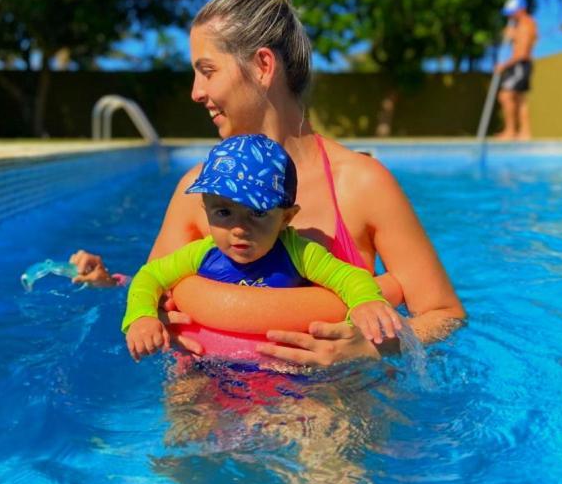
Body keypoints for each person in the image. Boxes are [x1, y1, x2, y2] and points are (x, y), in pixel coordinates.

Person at [71, 0, 465, 365]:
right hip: (209, 411)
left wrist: (368, 348)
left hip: (329, 407)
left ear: (262, 66)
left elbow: (444, 314)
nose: (195, 92)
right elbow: (159, 282)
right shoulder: (197, 188)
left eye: (207, 71)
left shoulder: (361, 184)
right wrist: (113, 284)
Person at [122, 133, 402, 360]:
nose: (239, 228)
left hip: (287, 373)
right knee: (184, 407)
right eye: (223, 213)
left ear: (286, 217)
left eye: (257, 213)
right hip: (209, 367)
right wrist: (142, 317)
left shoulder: (299, 252)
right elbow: (150, 276)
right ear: (205, 209)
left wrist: (365, 302)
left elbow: (348, 275)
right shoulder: (201, 253)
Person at [495, 0, 538, 140]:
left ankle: (511, 131)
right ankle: (525, 133)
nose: (510, 15)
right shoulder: (519, 25)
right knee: (520, 99)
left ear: (521, 10)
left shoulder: (526, 24)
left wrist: (503, 65)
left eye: (512, 12)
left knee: (505, 96)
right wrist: (511, 36)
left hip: (520, 64)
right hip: (519, 64)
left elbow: (523, 53)